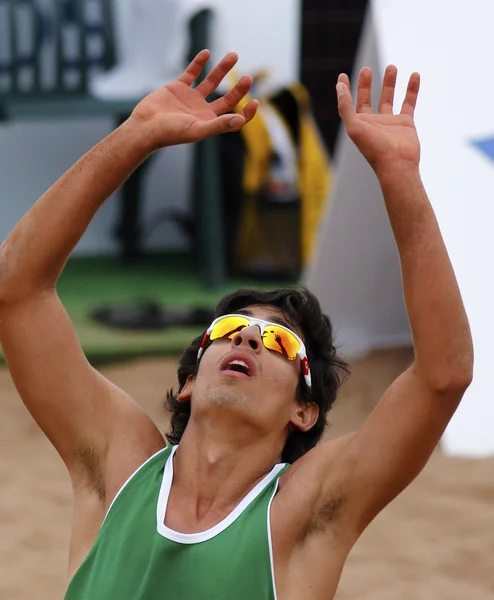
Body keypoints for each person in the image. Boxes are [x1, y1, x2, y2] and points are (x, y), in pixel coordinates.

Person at [0, 50, 473, 600]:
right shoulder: (120, 467)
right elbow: (18, 292)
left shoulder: (302, 513)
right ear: (189, 383)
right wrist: (136, 136)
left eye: (277, 340)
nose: (247, 336)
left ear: (305, 410)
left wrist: (399, 178)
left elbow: (443, 375)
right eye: (226, 330)